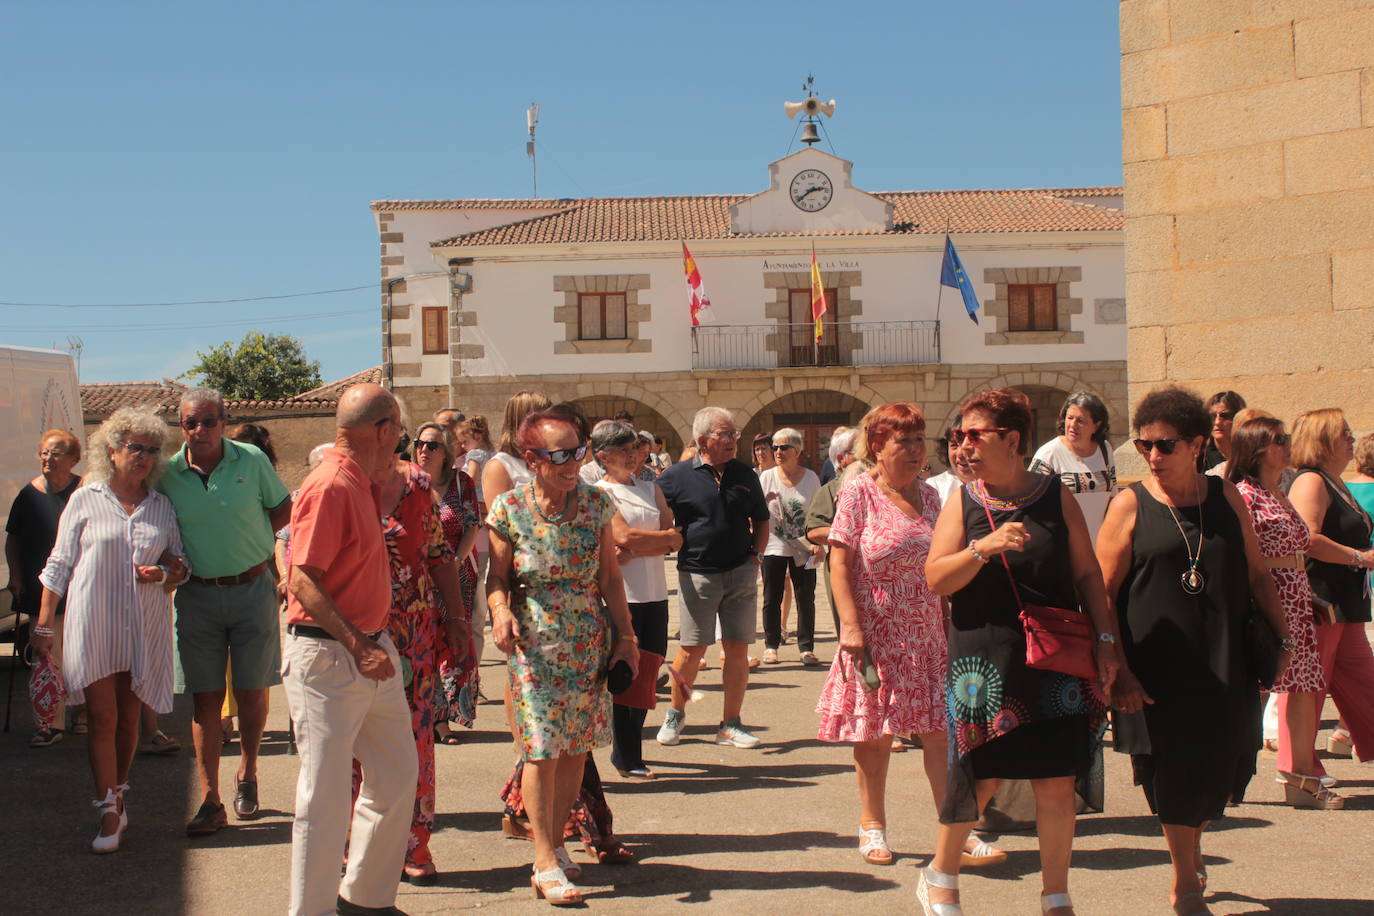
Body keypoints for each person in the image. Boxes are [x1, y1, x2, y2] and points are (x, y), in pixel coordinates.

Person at [925, 388, 1123, 916]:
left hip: (1054, 658)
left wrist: (1107, 642)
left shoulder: (1053, 495)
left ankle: (1055, 894)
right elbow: (937, 578)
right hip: (982, 662)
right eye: (958, 435)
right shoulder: (963, 499)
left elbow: (1087, 573)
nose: (963, 445)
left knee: (1056, 779)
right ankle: (940, 876)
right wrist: (981, 548)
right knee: (980, 773)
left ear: (1011, 440)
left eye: (974, 434)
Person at [1096, 386, 1290, 916]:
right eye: (1145, 445)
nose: (1154, 456)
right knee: (1175, 772)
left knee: (1224, 767)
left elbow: (1256, 574)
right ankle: (1185, 883)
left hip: (1226, 657)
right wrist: (1115, 664)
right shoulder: (1128, 504)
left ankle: (1192, 840)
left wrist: (1284, 636)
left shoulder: (1225, 498)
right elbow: (1102, 592)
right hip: (1155, 666)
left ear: (1198, 443)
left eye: (1166, 444)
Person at [818, 403, 1005, 870]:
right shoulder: (858, 492)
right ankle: (872, 825)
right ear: (877, 446)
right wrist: (850, 625)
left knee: (941, 735)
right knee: (875, 736)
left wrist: (952, 621)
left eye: (920, 440)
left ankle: (955, 828)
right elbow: (839, 562)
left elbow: (943, 565)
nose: (916, 450)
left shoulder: (933, 497)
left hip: (927, 634)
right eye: (904, 440)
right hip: (876, 634)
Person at [487, 408, 639, 906]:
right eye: (561, 454)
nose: (574, 461)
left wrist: (627, 639)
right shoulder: (509, 508)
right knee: (541, 748)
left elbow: (611, 580)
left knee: (575, 746)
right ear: (532, 459)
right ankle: (545, 858)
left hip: (586, 641)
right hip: (533, 643)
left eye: (578, 450)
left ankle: (554, 844)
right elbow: (497, 579)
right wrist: (500, 611)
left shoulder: (596, 504)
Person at [283, 383, 418, 916]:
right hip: (331, 657)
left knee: (395, 774)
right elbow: (302, 580)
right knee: (324, 797)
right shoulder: (333, 484)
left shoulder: (359, 480)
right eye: (399, 436)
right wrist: (360, 645)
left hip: (365, 650)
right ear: (383, 430)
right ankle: (311, 911)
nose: (400, 448)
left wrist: (369, 644)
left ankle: (365, 899)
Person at [32, 407, 189, 853]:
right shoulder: (86, 498)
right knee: (102, 718)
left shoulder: (161, 506)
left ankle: (119, 794)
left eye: (152, 450)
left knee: (130, 722)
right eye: (134, 447)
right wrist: (44, 623)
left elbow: (179, 564)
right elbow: (59, 563)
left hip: (143, 626)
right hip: (94, 624)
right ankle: (106, 809)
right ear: (112, 450)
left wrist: (164, 572)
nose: (143, 456)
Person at [158, 388, 291, 836]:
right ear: (182, 427)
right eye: (191, 423)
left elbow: (282, 507)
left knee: (253, 692)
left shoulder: (251, 459)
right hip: (196, 595)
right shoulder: (167, 473)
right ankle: (210, 798)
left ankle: (248, 772)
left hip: (253, 588)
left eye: (209, 421)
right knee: (205, 700)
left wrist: (253, 543)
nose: (200, 431)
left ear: (223, 421)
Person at [360, 422, 471, 883]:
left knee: (417, 740)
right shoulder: (339, 481)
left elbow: (439, 555)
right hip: (353, 633)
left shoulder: (416, 486)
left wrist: (457, 619)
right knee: (355, 746)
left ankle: (414, 844)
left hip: (413, 632)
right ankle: (357, 848)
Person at [1226, 417, 1340, 808]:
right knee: (1255, 687)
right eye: (1280, 440)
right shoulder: (1243, 493)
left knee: (1305, 687)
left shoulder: (1279, 492)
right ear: (1258, 449)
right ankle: (1227, 771)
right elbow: (1239, 554)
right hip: (1268, 598)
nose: (1288, 445)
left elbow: (1305, 543)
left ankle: (1302, 777)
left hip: (1296, 594)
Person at [656, 407, 771, 750]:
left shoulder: (745, 474)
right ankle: (676, 714)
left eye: (734, 434)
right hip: (697, 575)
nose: (733, 440)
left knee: (737, 650)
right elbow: (658, 517)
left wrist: (755, 558)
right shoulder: (675, 477)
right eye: (725, 434)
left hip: (741, 573)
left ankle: (730, 724)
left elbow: (762, 520)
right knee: (691, 651)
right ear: (703, 439)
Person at [589, 421, 681, 779]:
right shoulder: (599, 492)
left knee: (648, 669)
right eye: (623, 450)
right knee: (624, 672)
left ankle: (629, 749)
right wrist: (654, 541)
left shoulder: (651, 488)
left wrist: (647, 542)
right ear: (603, 457)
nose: (632, 455)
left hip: (655, 592)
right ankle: (626, 755)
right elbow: (623, 535)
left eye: (635, 449)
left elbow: (675, 536)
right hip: (621, 594)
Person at [1286, 409, 1374, 768]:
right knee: (1308, 690)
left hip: (1346, 606)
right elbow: (1307, 537)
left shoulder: (1335, 483)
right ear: (1322, 441)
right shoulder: (1312, 481)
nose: (1352, 438)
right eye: (1344, 433)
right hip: (1323, 603)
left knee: (1363, 683)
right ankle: (1298, 770)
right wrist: (1360, 557)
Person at [6, 428, 83, 746]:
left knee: (78, 655)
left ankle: (79, 713)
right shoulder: (28, 494)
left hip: (78, 586)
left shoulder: (84, 490)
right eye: (44, 452)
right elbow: (14, 539)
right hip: (40, 588)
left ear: (73, 459)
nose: (47, 458)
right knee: (46, 655)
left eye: (55, 452)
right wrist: (16, 576)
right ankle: (48, 722)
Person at [414, 423, 482, 747]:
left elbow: (471, 525)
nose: (424, 450)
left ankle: (443, 718)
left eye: (432, 445)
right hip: (416, 578)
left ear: (446, 452)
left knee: (450, 646)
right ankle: (428, 715)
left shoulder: (461, 482)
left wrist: (453, 563)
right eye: (420, 444)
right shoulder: (408, 482)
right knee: (423, 644)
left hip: (457, 575)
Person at [218, 422, 280, 749]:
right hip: (229, 570)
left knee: (255, 657)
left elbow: (281, 517)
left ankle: (248, 719)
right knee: (227, 655)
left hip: (259, 571)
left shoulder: (263, 477)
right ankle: (226, 717)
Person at [760, 427, 823, 666]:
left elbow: (817, 514)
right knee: (771, 597)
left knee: (805, 596)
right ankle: (771, 645)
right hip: (773, 545)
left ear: (797, 451)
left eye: (783, 447)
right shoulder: (766, 477)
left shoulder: (811, 478)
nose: (777, 452)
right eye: (774, 447)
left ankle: (806, 647)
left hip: (804, 547)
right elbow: (756, 513)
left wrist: (816, 543)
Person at [1029, 392, 1118, 544]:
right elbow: (1031, 504)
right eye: (1070, 418)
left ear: (1096, 425)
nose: (1072, 425)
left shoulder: (1105, 449)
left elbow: (1112, 496)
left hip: (1100, 544)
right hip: (1064, 547)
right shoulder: (1048, 454)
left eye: (1081, 421)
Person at [805, 426, 859, 634]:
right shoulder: (829, 490)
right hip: (844, 568)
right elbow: (815, 531)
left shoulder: (883, 485)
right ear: (841, 458)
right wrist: (853, 533)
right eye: (858, 451)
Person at [1199, 391, 1245, 472]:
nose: (1217, 422)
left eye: (1225, 416)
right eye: (1212, 416)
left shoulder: (1249, 455)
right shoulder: (1200, 456)